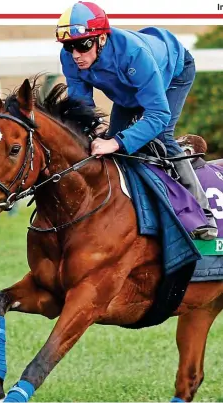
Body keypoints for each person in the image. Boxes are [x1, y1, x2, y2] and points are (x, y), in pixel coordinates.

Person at [56, 1, 218, 240]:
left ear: (102, 39)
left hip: (174, 71)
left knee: (159, 135)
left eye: (83, 44)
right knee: (117, 149)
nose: (76, 54)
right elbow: (82, 107)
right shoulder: (70, 58)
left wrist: (116, 141)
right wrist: (95, 130)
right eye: (69, 46)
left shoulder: (134, 54)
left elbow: (158, 114)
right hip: (129, 90)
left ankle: (203, 216)